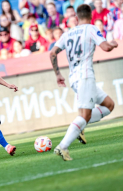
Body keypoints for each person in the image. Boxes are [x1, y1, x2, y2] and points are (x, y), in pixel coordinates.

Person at [50, 4, 117, 161]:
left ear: (76, 17)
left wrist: (58, 74)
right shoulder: (91, 29)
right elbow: (106, 47)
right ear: (91, 15)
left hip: (74, 78)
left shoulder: (68, 33)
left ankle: (80, 125)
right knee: (85, 116)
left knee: (109, 105)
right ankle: (63, 146)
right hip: (85, 76)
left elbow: (52, 53)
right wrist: (113, 44)